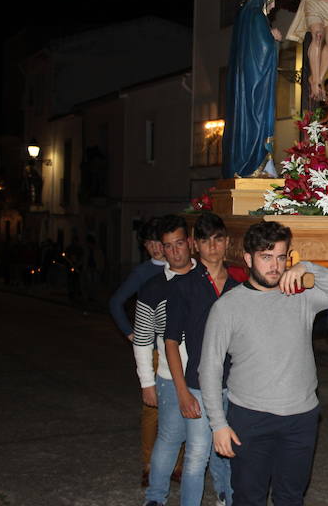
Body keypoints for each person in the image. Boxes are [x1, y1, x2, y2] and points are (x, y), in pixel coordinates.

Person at [199, 221, 328, 505]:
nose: (275, 265)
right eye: (266, 256)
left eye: (281, 257)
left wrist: (307, 267)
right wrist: (218, 424)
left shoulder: (301, 296)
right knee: (249, 498)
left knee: (291, 497)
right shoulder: (228, 307)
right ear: (248, 259)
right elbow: (209, 368)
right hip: (250, 418)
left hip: (301, 418)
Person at [163, 213, 238, 506]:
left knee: (232, 453)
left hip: (236, 385)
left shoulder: (238, 286)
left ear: (227, 242)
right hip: (197, 385)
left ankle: (227, 498)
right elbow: (170, 342)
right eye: (205, 240)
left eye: (218, 238)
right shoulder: (183, 286)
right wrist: (181, 392)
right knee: (196, 457)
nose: (212, 246)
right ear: (196, 245)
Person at [134, 216, 197, 506]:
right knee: (170, 439)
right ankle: (156, 498)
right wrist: (147, 383)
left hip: (207, 376)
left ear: (190, 242)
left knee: (201, 447)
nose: (175, 252)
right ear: (162, 248)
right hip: (170, 378)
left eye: (180, 244)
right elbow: (144, 340)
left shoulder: (208, 280)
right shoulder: (152, 289)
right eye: (168, 246)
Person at [108, 218, 170, 486]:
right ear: (145, 246)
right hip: (154, 349)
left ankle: (176, 465)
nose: (156, 248)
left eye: (160, 241)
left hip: (179, 347)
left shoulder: (181, 266)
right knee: (152, 410)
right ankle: (149, 465)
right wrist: (131, 333)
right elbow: (116, 302)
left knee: (180, 408)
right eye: (150, 243)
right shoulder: (143, 272)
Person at [223, 0, 282, 178]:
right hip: (256, 82)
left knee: (247, 120)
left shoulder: (245, 16)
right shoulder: (257, 16)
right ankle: (253, 164)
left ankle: (252, 164)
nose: (273, 7)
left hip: (247, 80)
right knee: (256, 120)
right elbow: (262, 49)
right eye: (272, 1)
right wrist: (273, 39)